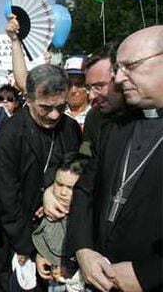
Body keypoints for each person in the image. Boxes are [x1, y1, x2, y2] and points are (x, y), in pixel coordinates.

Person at [67, 26, 163, 292]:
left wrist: (150, 274)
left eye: (129, 66)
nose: (120, 79)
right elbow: (84, 178)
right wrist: (83, 248)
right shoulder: (108, 125)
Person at [0, 64, 81, 291]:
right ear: (28, 99)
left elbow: (75, 173)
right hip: (22, 239)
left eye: (61, 107)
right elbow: (7, 197)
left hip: (62, 235)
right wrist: (32, 248)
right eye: (45, 107)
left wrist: (54, 190)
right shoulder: (11, 133)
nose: (54, 115)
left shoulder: (69, 128)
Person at [31, 153, 89, 291]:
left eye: (70, 188)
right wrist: (41, 255)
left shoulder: (88, 217)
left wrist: (68, 267)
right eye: (59, 184)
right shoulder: (47, 209)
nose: (63, 192)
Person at [79, 43, 127, 157]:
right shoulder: (93, 118)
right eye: (89, 88)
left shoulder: (150, 117)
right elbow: (85, 155)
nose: (91, 96)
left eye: (99, 86)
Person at [64, 56, 91, 130]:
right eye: (69, 85)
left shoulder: (97, 115)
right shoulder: (57, 114)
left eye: (78, 85)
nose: (73, 90)